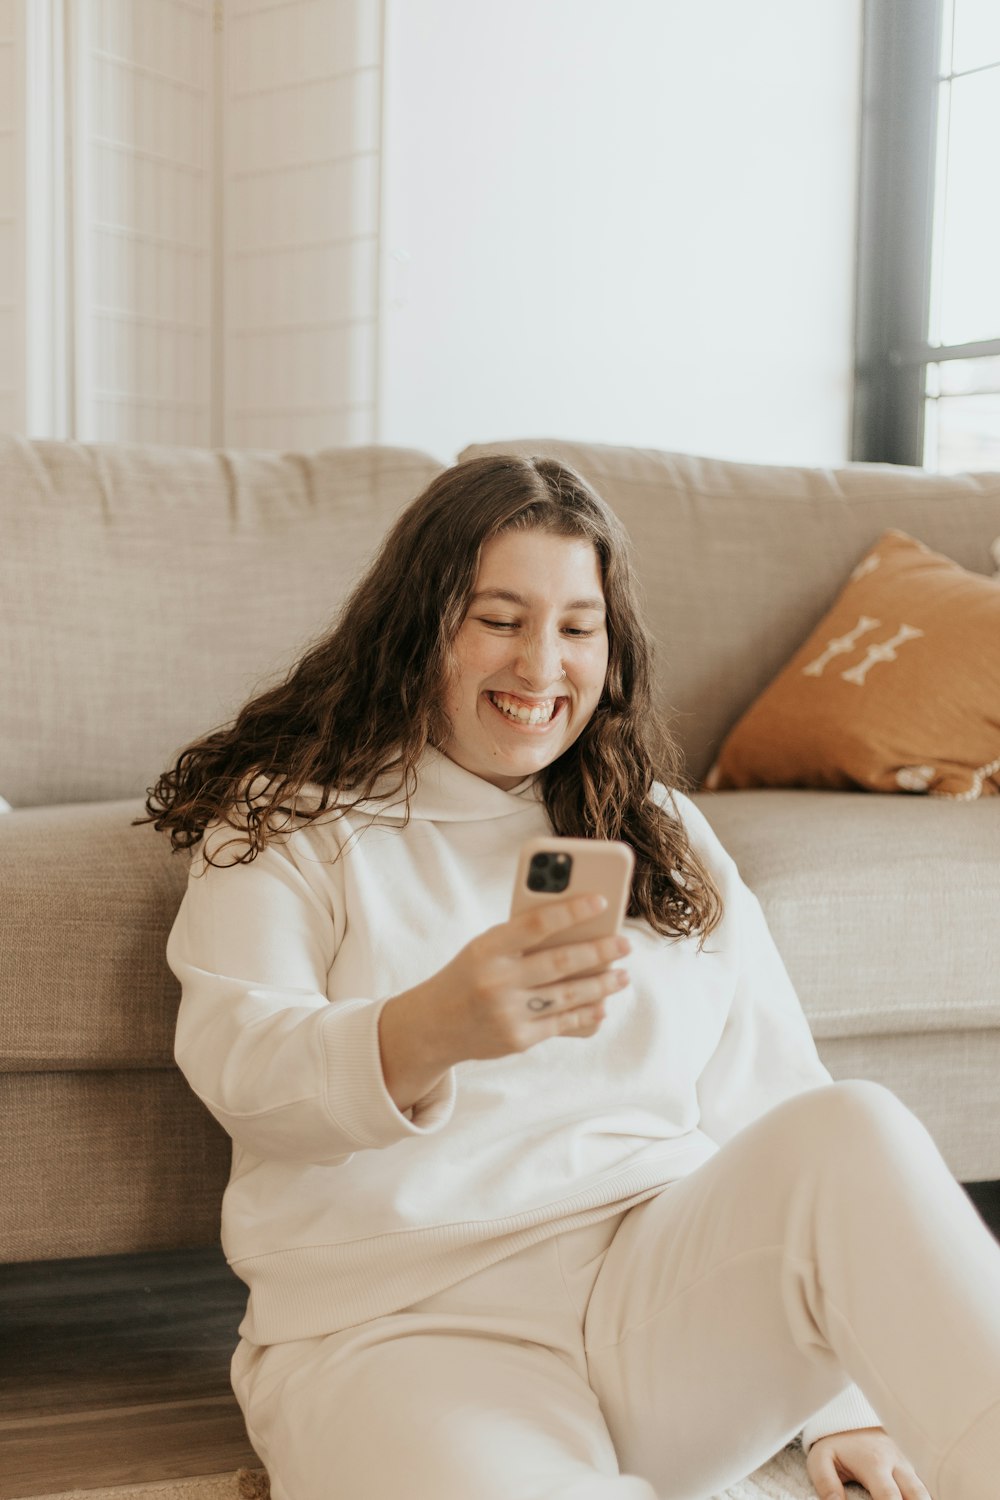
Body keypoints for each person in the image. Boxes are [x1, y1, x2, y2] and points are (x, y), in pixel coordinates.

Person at [144, 455, 1000, 1500]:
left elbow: (772, 1089)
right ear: (421, 625)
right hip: (404, 1332)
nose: (541, 664)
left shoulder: (662, 828)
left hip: (663, 1302)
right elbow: (243, 1066)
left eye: (576, 627)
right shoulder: (290, 826)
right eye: (498, 618)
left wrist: (848, 1407)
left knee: (852, 1125)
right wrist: (434, 1027)